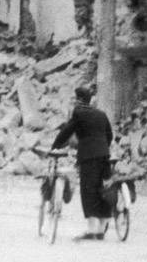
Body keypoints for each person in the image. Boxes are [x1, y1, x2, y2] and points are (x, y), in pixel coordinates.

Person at [51, 86, 113, 241]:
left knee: (89, 191)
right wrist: (103, 148)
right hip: (104, 155)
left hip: (88, 157)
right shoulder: (101, 114)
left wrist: (55, 145)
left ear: (78, 100)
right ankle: (101, 230)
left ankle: (92, 230)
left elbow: (67, 130)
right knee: (103, 189)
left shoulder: (78, 112)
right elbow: (109, 135)